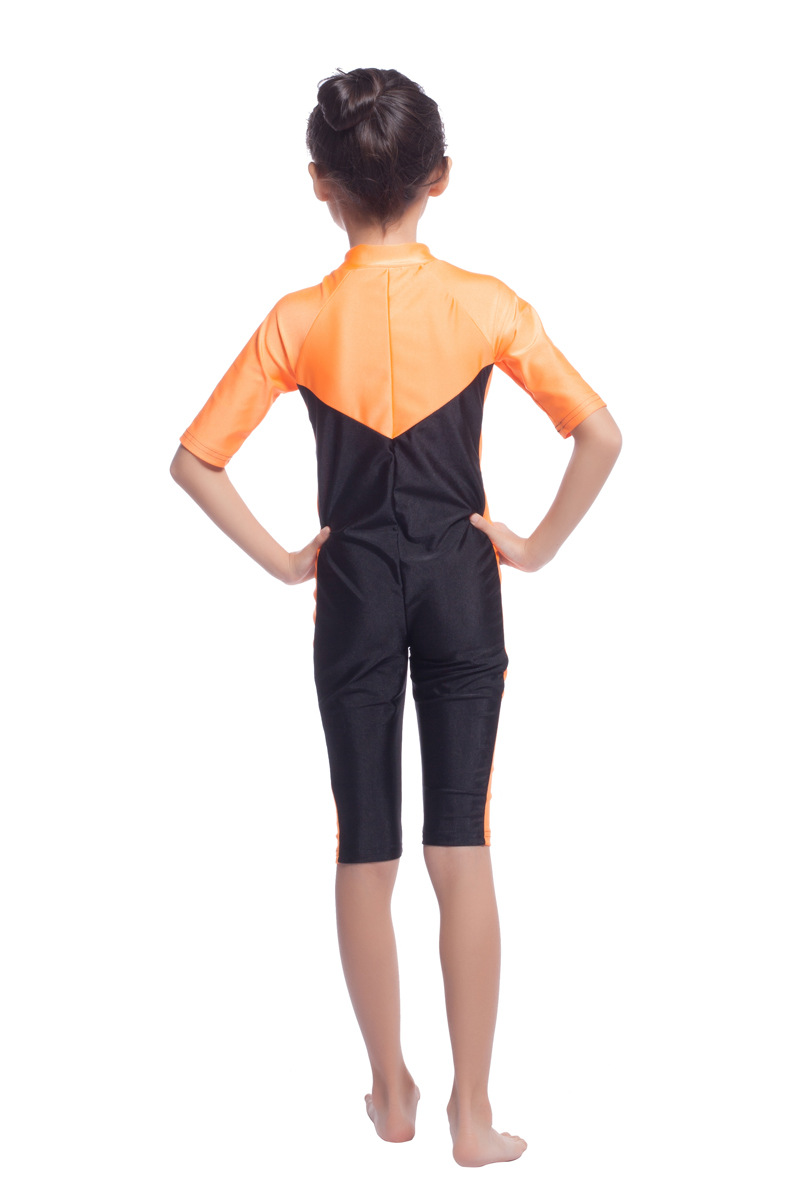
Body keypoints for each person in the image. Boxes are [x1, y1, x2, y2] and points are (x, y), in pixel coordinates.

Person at [170, 66, 622, 1169]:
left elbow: (194, 460)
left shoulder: (297, 320)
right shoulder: (485, 304)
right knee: (461, 839)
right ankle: (473, 1116)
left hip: (355, 593)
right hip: (463, 584)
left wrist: (289, 560)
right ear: (441, 177)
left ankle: (389, 1094)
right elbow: (600, 434)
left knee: (363, 843)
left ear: (317, 183)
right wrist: (534, 544)